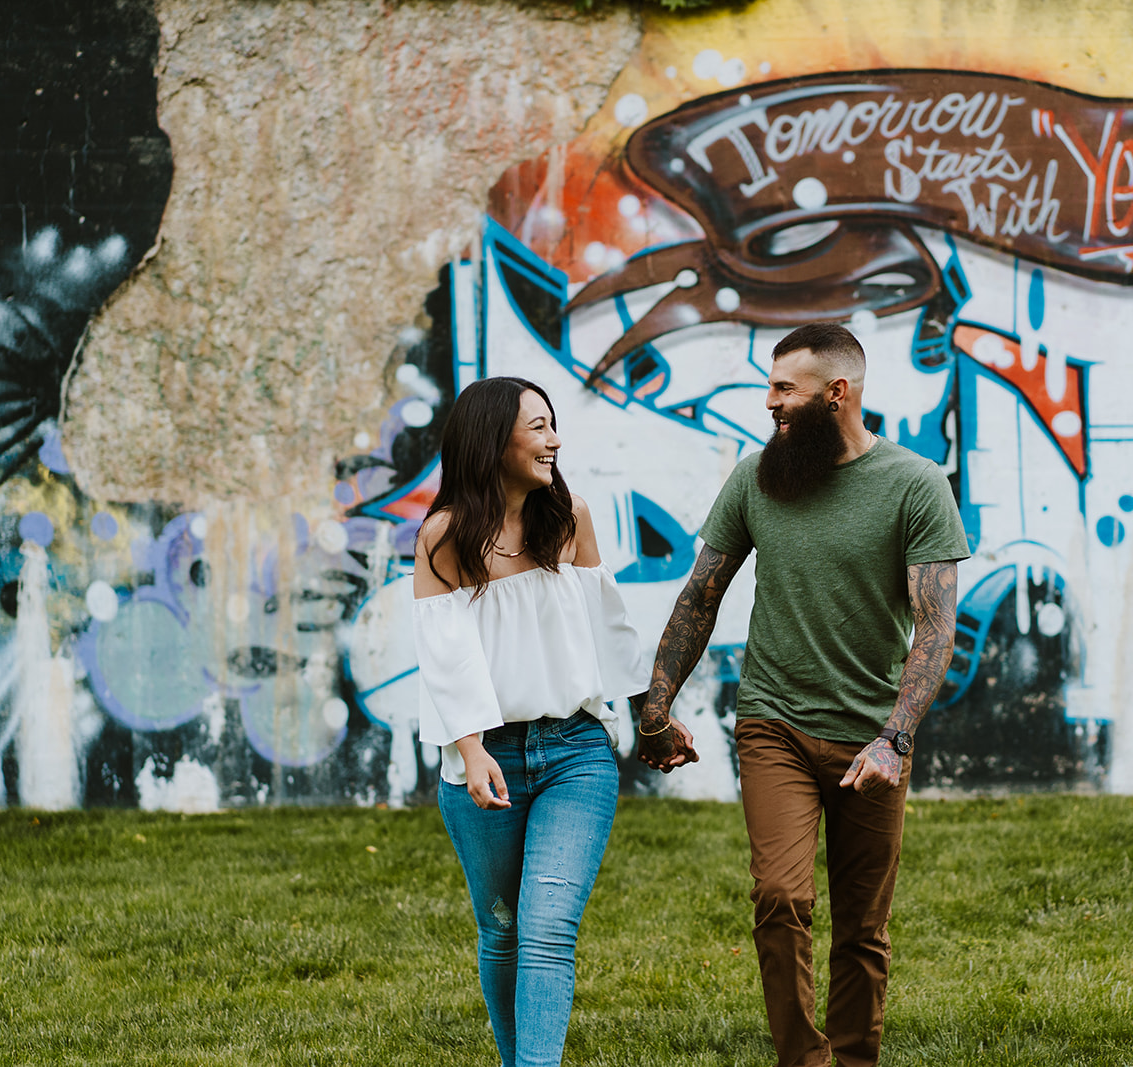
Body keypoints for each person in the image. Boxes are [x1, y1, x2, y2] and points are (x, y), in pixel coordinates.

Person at [637, 323, 968, 1067]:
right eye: (771, 387)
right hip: (774, 723)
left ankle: (854, 1059)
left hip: (871, 735)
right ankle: (802, 1059)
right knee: (781, 898)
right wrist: (656, 705)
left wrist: (896, 737)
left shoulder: (914, 483)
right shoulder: (756, 477)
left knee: (862, 925)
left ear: (837, 393)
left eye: (785, 388)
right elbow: (701, 594)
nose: (770, 402)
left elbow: (936, 628)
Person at [412, 376, 688, 1067]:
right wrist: (471, 748)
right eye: (537, 427)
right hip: (486, 758)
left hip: (575, 752)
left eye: (552, 424)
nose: (554, 439)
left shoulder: (569, 519)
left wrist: (649, 714)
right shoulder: (444, 536)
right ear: (491, 440)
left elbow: (611, 625)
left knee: (546, 928)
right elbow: (447, 657)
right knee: (502, 928)